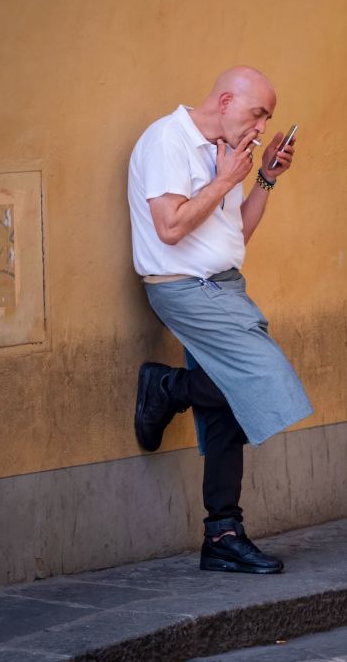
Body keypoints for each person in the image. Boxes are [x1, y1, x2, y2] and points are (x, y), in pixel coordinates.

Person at [127, 65, 312, 574]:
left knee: (228, 410)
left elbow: (234, 238)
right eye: (257, 114)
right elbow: (169, 227)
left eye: (268, 119)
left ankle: (222, 534)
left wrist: (264, 178)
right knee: (261, 380)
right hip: (183, 288)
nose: (260, 127)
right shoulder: (168, 140)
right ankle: (167, 388)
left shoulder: (226, 154)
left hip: (224, 286)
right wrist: (227, 178)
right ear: (227, 101)